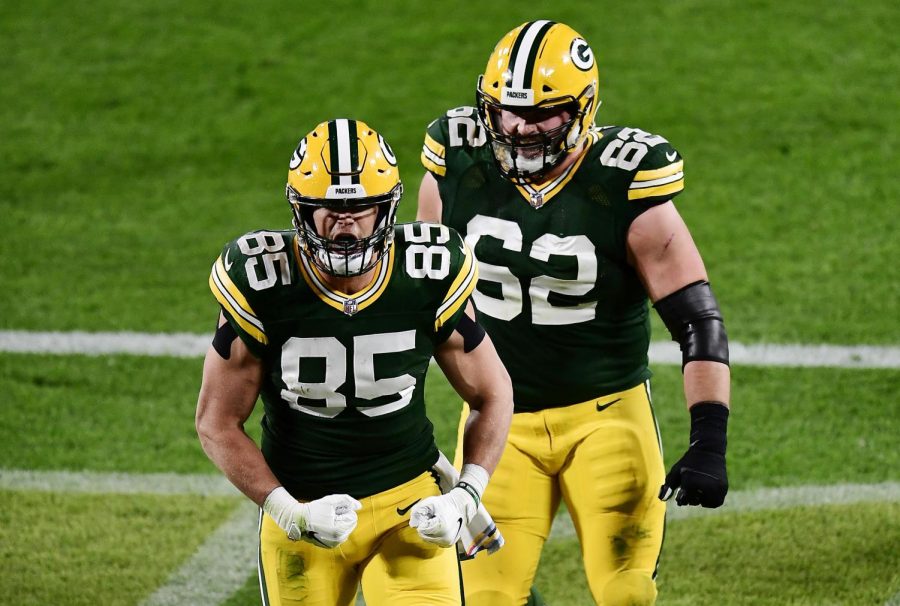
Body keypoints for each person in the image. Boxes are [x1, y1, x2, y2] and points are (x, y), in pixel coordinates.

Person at [417, 20, 731, 606]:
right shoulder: (457, 164)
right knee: (481, 598)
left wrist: (709, 439)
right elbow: (419, 297)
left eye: (542, 114)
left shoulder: (624, 178)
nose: (518, 127)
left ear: (583, 109)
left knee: (627, 593)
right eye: (506, 110)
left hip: (606, 417)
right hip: (498, 422)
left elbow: (697, 322)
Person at [196, 118, 513, 606]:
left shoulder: (428, 269)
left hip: (410, 506)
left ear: (387, 207)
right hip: (305, 507)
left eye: (360, 205)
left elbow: (492, 393)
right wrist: (289, 512)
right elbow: (217, 422)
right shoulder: (262, 279)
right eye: (328, 207)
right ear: (300, 208)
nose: (345, 221)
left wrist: (464, 496)